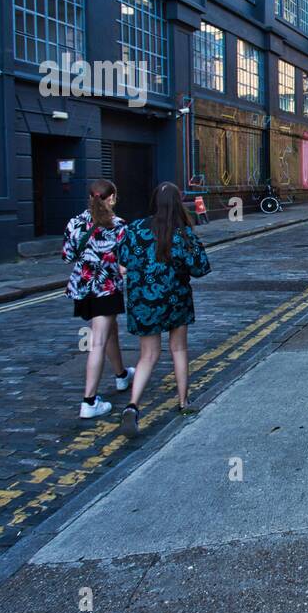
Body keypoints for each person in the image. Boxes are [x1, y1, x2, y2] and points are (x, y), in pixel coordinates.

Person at [116, 182, 211, 438]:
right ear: (178, 203)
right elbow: (201, 268)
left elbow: (122, 262)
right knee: (178, 349)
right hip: (174, 299)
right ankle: (183, 402)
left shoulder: (134, 229)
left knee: (147, 355)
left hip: (142, 302)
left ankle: (133, 405)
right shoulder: (182, 233)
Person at [62, 179, 134, 420]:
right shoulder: (118, 225)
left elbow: (67, 255)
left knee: (110, 330)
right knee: (98, 342)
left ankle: (122, 376)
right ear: (111, 198)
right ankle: (89, 401)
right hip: (106, 288)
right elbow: (126, 262)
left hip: (83, 289)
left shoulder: (75, 222)